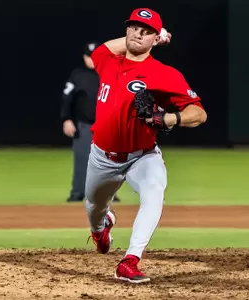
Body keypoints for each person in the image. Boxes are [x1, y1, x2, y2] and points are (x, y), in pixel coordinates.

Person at [85, 8, 207, 283]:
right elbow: (104, 48)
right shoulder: (107, 61)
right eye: (134, 27)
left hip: (142, 156)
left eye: (146, 30)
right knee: (94, 207)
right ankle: (101, 229)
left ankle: (130, 260)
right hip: (102, 157)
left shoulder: (163, 74)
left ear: (155, 40)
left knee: (154, 191)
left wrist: (168, 118)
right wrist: (155, 36)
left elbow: (199, 113)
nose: (138, 32)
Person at [60, 42, 121, 203]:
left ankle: (108, 193)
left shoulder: (110, 73)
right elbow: (67, 98)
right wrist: (66, 119)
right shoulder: (77, 75)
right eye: (89, 57)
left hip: (106, 126)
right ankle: (77, 192)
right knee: (82, 160)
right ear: (84, 57)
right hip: (84, 125)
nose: (92, 60)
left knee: (109, 161)